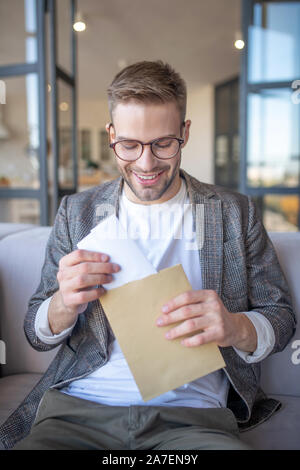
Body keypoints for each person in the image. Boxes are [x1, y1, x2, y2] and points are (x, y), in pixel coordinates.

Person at [0, 61, 296, 451]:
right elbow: (35, 332)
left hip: (194, 418)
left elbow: (281, 316)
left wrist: (234, 326)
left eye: (162, 143)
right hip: (78, 411)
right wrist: (62, 304)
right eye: (129, 145)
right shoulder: (77, 212)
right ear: (111, 135)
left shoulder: (233, 213)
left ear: (184, 132)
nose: (146, 163)